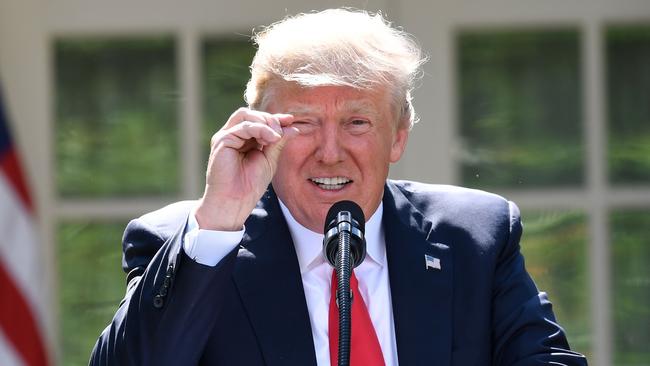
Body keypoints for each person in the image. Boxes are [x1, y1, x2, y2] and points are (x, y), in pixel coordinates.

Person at [90, 8, 587, 366]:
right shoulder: (189, 242)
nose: (330, 151)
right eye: (303, 123)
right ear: (263, 131)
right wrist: (219, 219)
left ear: (398, 136)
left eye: (356, 123)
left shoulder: (476, 234)